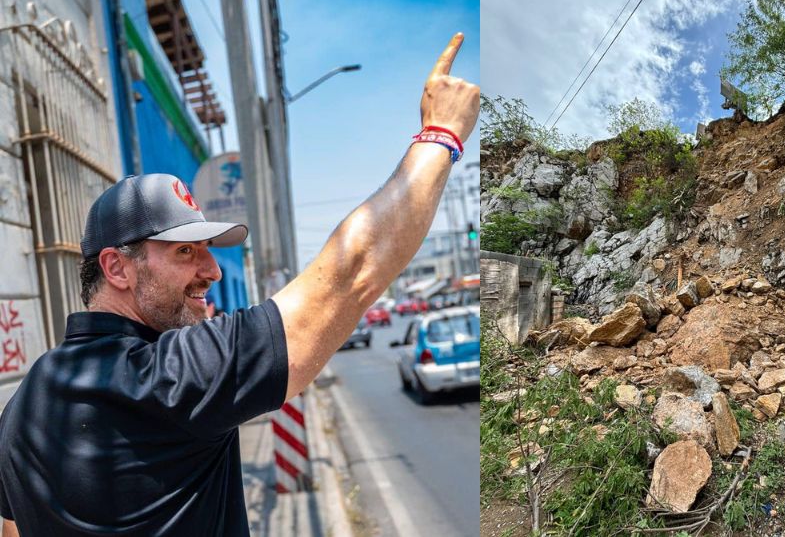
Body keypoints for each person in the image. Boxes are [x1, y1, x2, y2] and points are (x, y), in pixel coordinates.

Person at [0, 33, 478, 537]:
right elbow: (352, 271)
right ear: (117, 268)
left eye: (208, 249)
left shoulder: (22, 407)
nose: (213, 270)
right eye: (186, 251)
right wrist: (441, 134)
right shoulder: (176, 376)